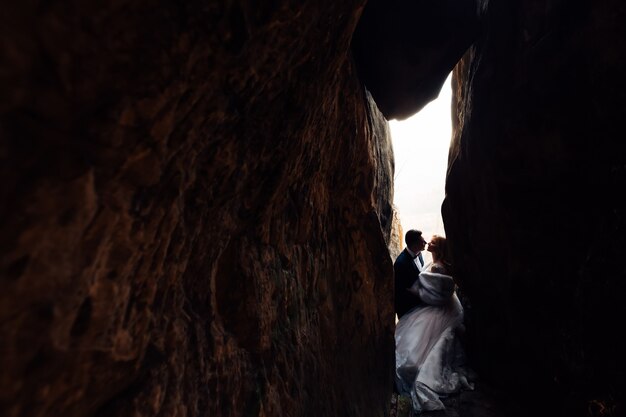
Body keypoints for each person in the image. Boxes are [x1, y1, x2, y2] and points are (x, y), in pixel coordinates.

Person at [394, 235, 473, 413]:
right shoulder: (436, 263)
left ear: (437, 249)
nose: (428, 243)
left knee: (422, 339)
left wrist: (415, 291)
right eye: (426, 241)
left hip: (441, 309)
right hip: (447, 306)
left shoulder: (437, 267)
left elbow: (432, 291)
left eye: (432, 243)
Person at [394, 229, 427, 319]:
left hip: (420, 304)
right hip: (409, 310)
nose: (426, 242)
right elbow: (399, 292)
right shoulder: (400, 263)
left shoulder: (419, 254)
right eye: (422, 241)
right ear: (415, 245)